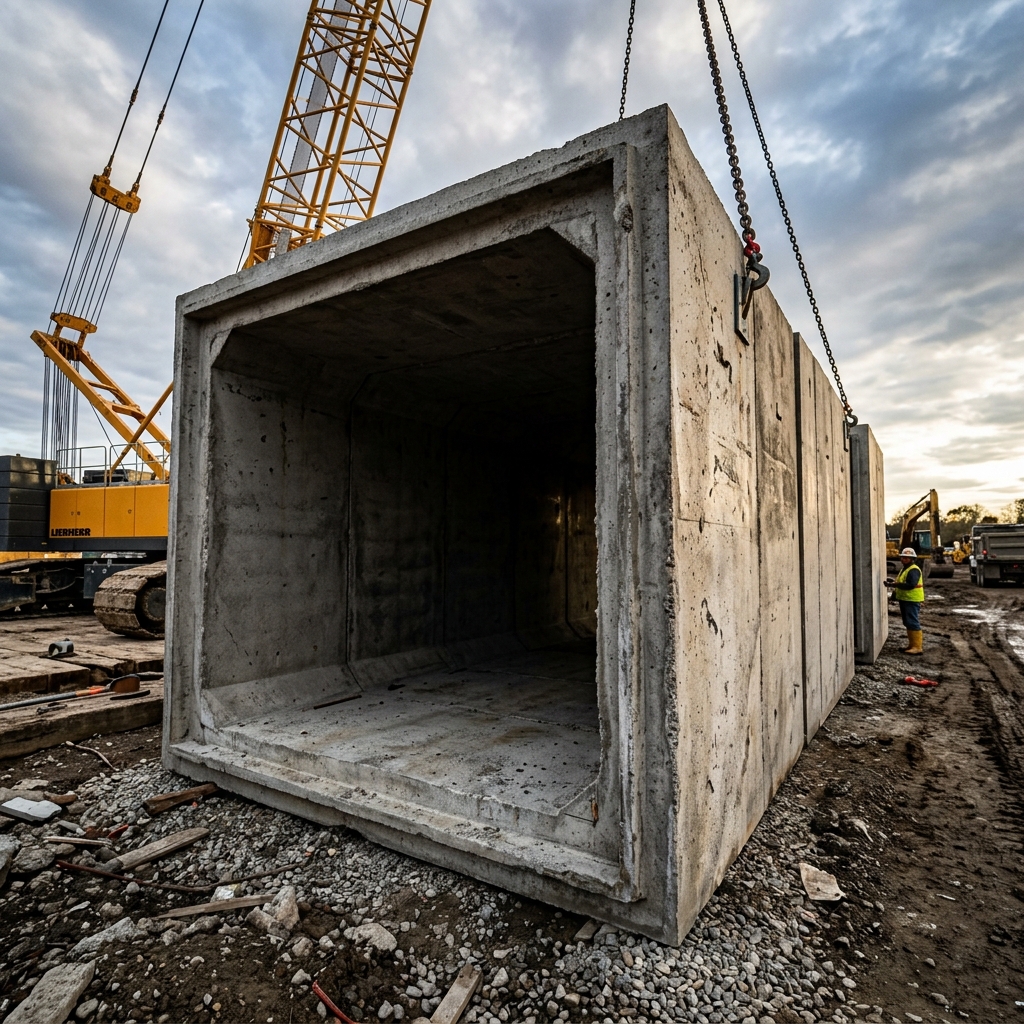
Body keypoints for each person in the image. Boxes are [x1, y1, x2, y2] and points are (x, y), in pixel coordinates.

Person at [885, 547, 924, 655]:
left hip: (911, 599)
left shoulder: (913, 570)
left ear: (912, 559)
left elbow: (911, 585)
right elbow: (904, 582)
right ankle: (912, 645)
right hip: (906, 599)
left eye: (907, 558)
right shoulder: (906, 569)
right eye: (903, 557)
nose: (904, 559)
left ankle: (917, 647)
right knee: (908, 622)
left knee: (912, 622)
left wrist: (895, 584)